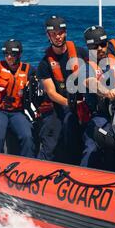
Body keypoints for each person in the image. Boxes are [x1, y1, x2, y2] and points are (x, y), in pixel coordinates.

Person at [36, 16, 88, 164]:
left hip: (83, 103)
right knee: (52, 138)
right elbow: (51, 93)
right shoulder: (44, 64)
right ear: (48, 36)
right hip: (59, 106)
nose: (58, 37)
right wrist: (70, 104)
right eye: (54, 34)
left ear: (65, 33)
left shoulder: (81, 53)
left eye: (60, 32)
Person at [80, 25, 115, 171]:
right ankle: (84, 175)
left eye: (103, 45)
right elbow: (91, 82)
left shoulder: (114, 63)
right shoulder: (86, 67)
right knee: (93, 147)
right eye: (94, 46)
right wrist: (107, 92)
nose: (100, 49)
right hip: (99, 116)